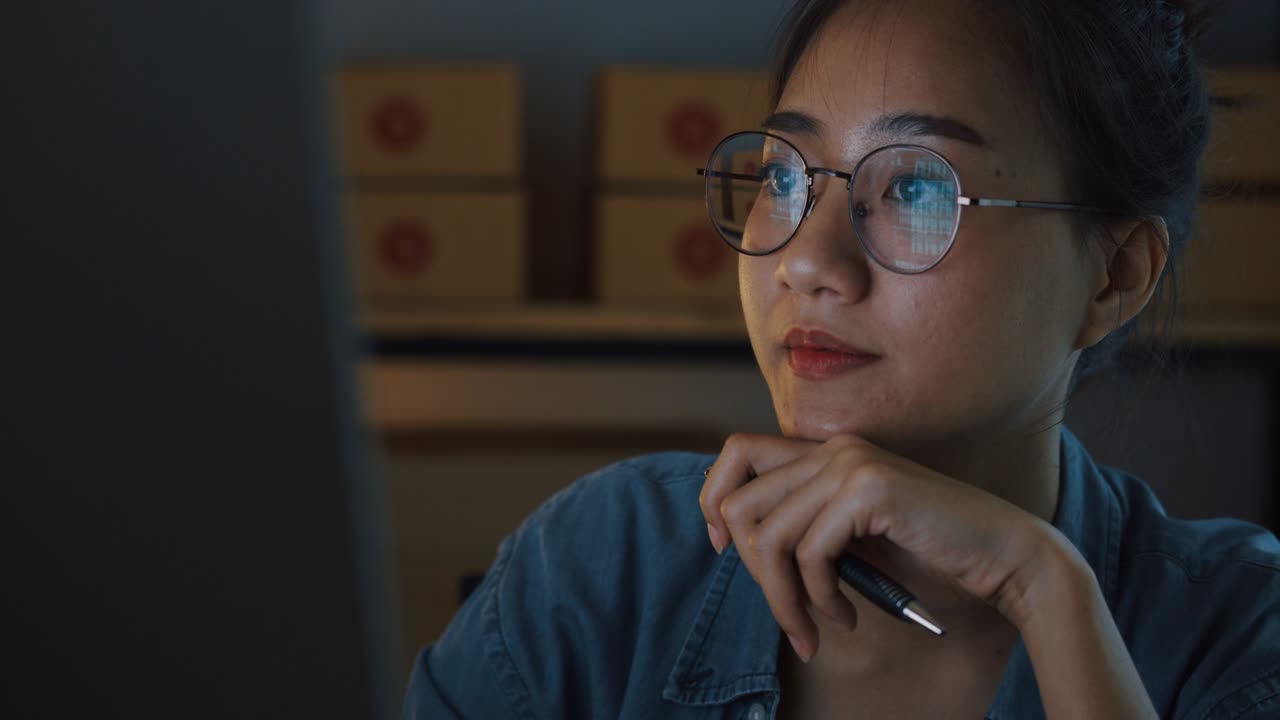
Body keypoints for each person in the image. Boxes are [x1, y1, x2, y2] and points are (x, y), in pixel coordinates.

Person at [405, 0, 1280, 717]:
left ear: (1114, 276)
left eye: (916, 186)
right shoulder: (599, 577)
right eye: (787, 177)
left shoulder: (1238, 635)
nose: (805, 261)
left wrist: (1046, 590)